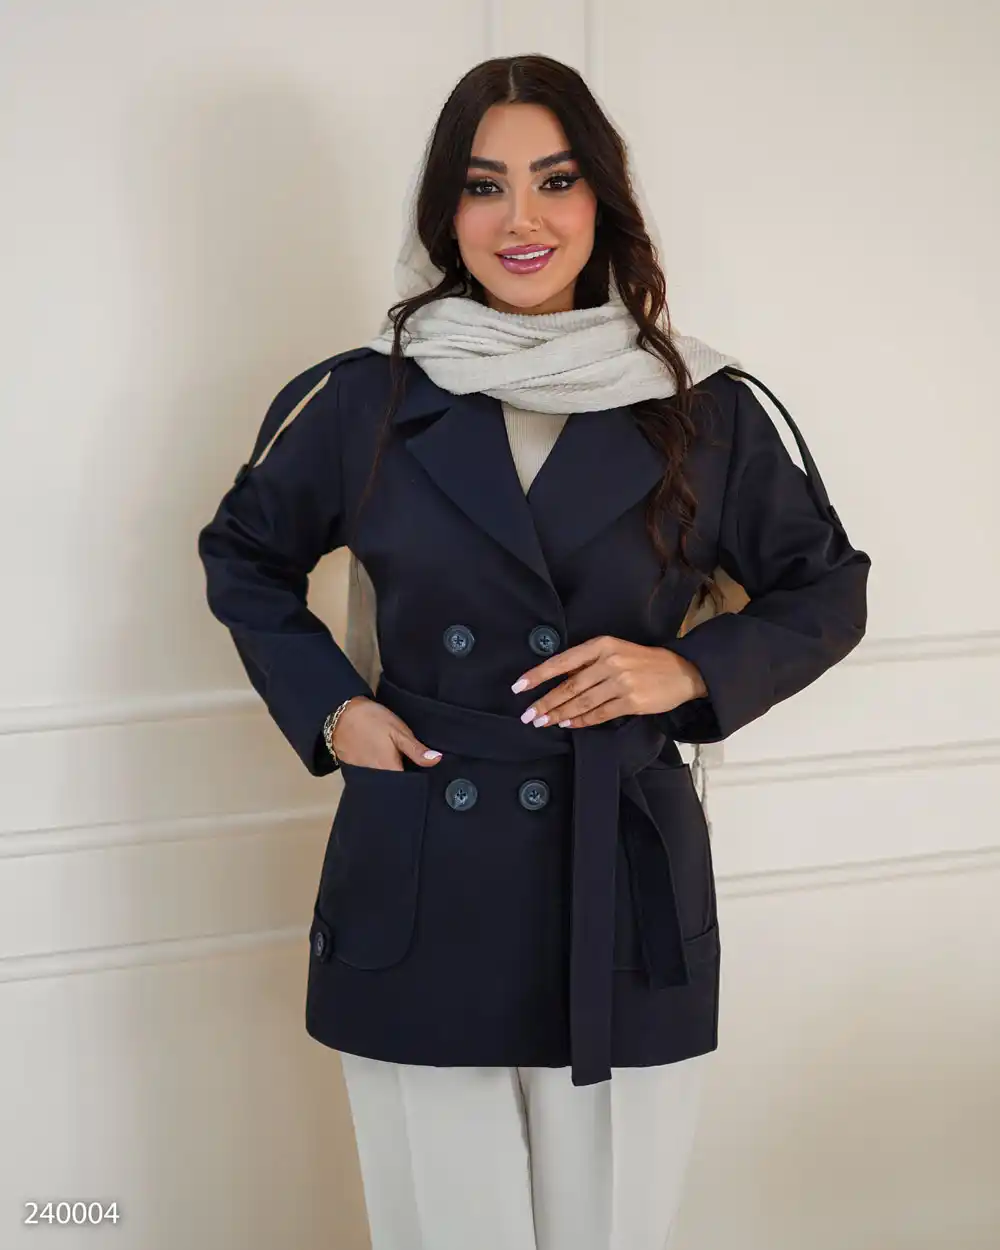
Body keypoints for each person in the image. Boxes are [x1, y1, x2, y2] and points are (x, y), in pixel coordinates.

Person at [197, 54, 871, 1250]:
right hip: (420, 854)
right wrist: (333, 710)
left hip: (620, 871)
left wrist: (692, 670)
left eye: (555, 180)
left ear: (603, 198)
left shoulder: (706, 405)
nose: (522, 219)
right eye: (484, 185)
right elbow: (244, 553)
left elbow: (827, 586)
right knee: (443, 1225)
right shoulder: (365, 398)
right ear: (444, 213)